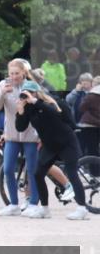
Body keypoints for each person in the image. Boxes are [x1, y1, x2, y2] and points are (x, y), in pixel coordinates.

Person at [15, 81, 90, 220]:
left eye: (30, 93)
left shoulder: (51, 102)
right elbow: (20, 127)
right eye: (25, 94)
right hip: (49, 145)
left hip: (66, 142)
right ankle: (45, 209)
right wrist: (20, 112)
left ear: (37, 93)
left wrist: (36, 101)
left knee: (72, 173)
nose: (27, 96)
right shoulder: (29, 108)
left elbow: (53, 114)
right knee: (38, 174)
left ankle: (82, 209)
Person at [0, 59, 40, 216]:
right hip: (11, 134)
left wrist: (41, 135)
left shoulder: (31, 85)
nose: (14, 77)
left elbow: (40, 109)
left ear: (24, 73)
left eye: (17, 74)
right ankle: (13, 204)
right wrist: (1, 94)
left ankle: (34, 203)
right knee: (7, 169)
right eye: (11, 73)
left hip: (30, 134)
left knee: (33, 170)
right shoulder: (2, 85)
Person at [78, 76, 100, 171]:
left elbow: (81, 108)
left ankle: (95, 171)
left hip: (89, 125)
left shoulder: (91, 95)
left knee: (91, 149)